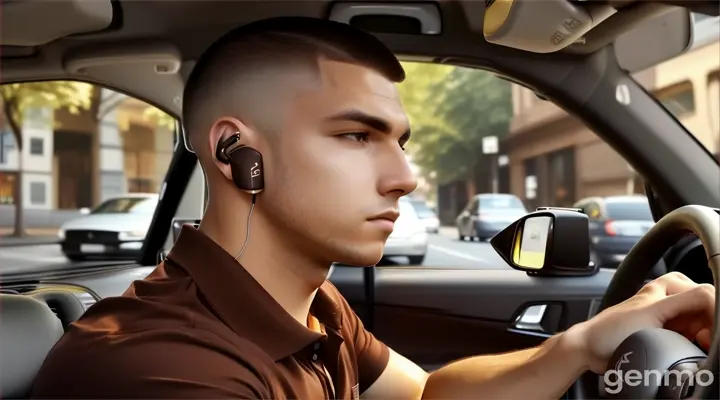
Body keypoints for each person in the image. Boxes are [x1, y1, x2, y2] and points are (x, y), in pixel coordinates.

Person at [30, 16, 715, 400]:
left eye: (400, 142)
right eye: (356, 137)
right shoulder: (159, 371)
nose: (405, 178)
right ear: (239, 154)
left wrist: (583, 344)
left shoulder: (312, 303)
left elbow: (425, 399)